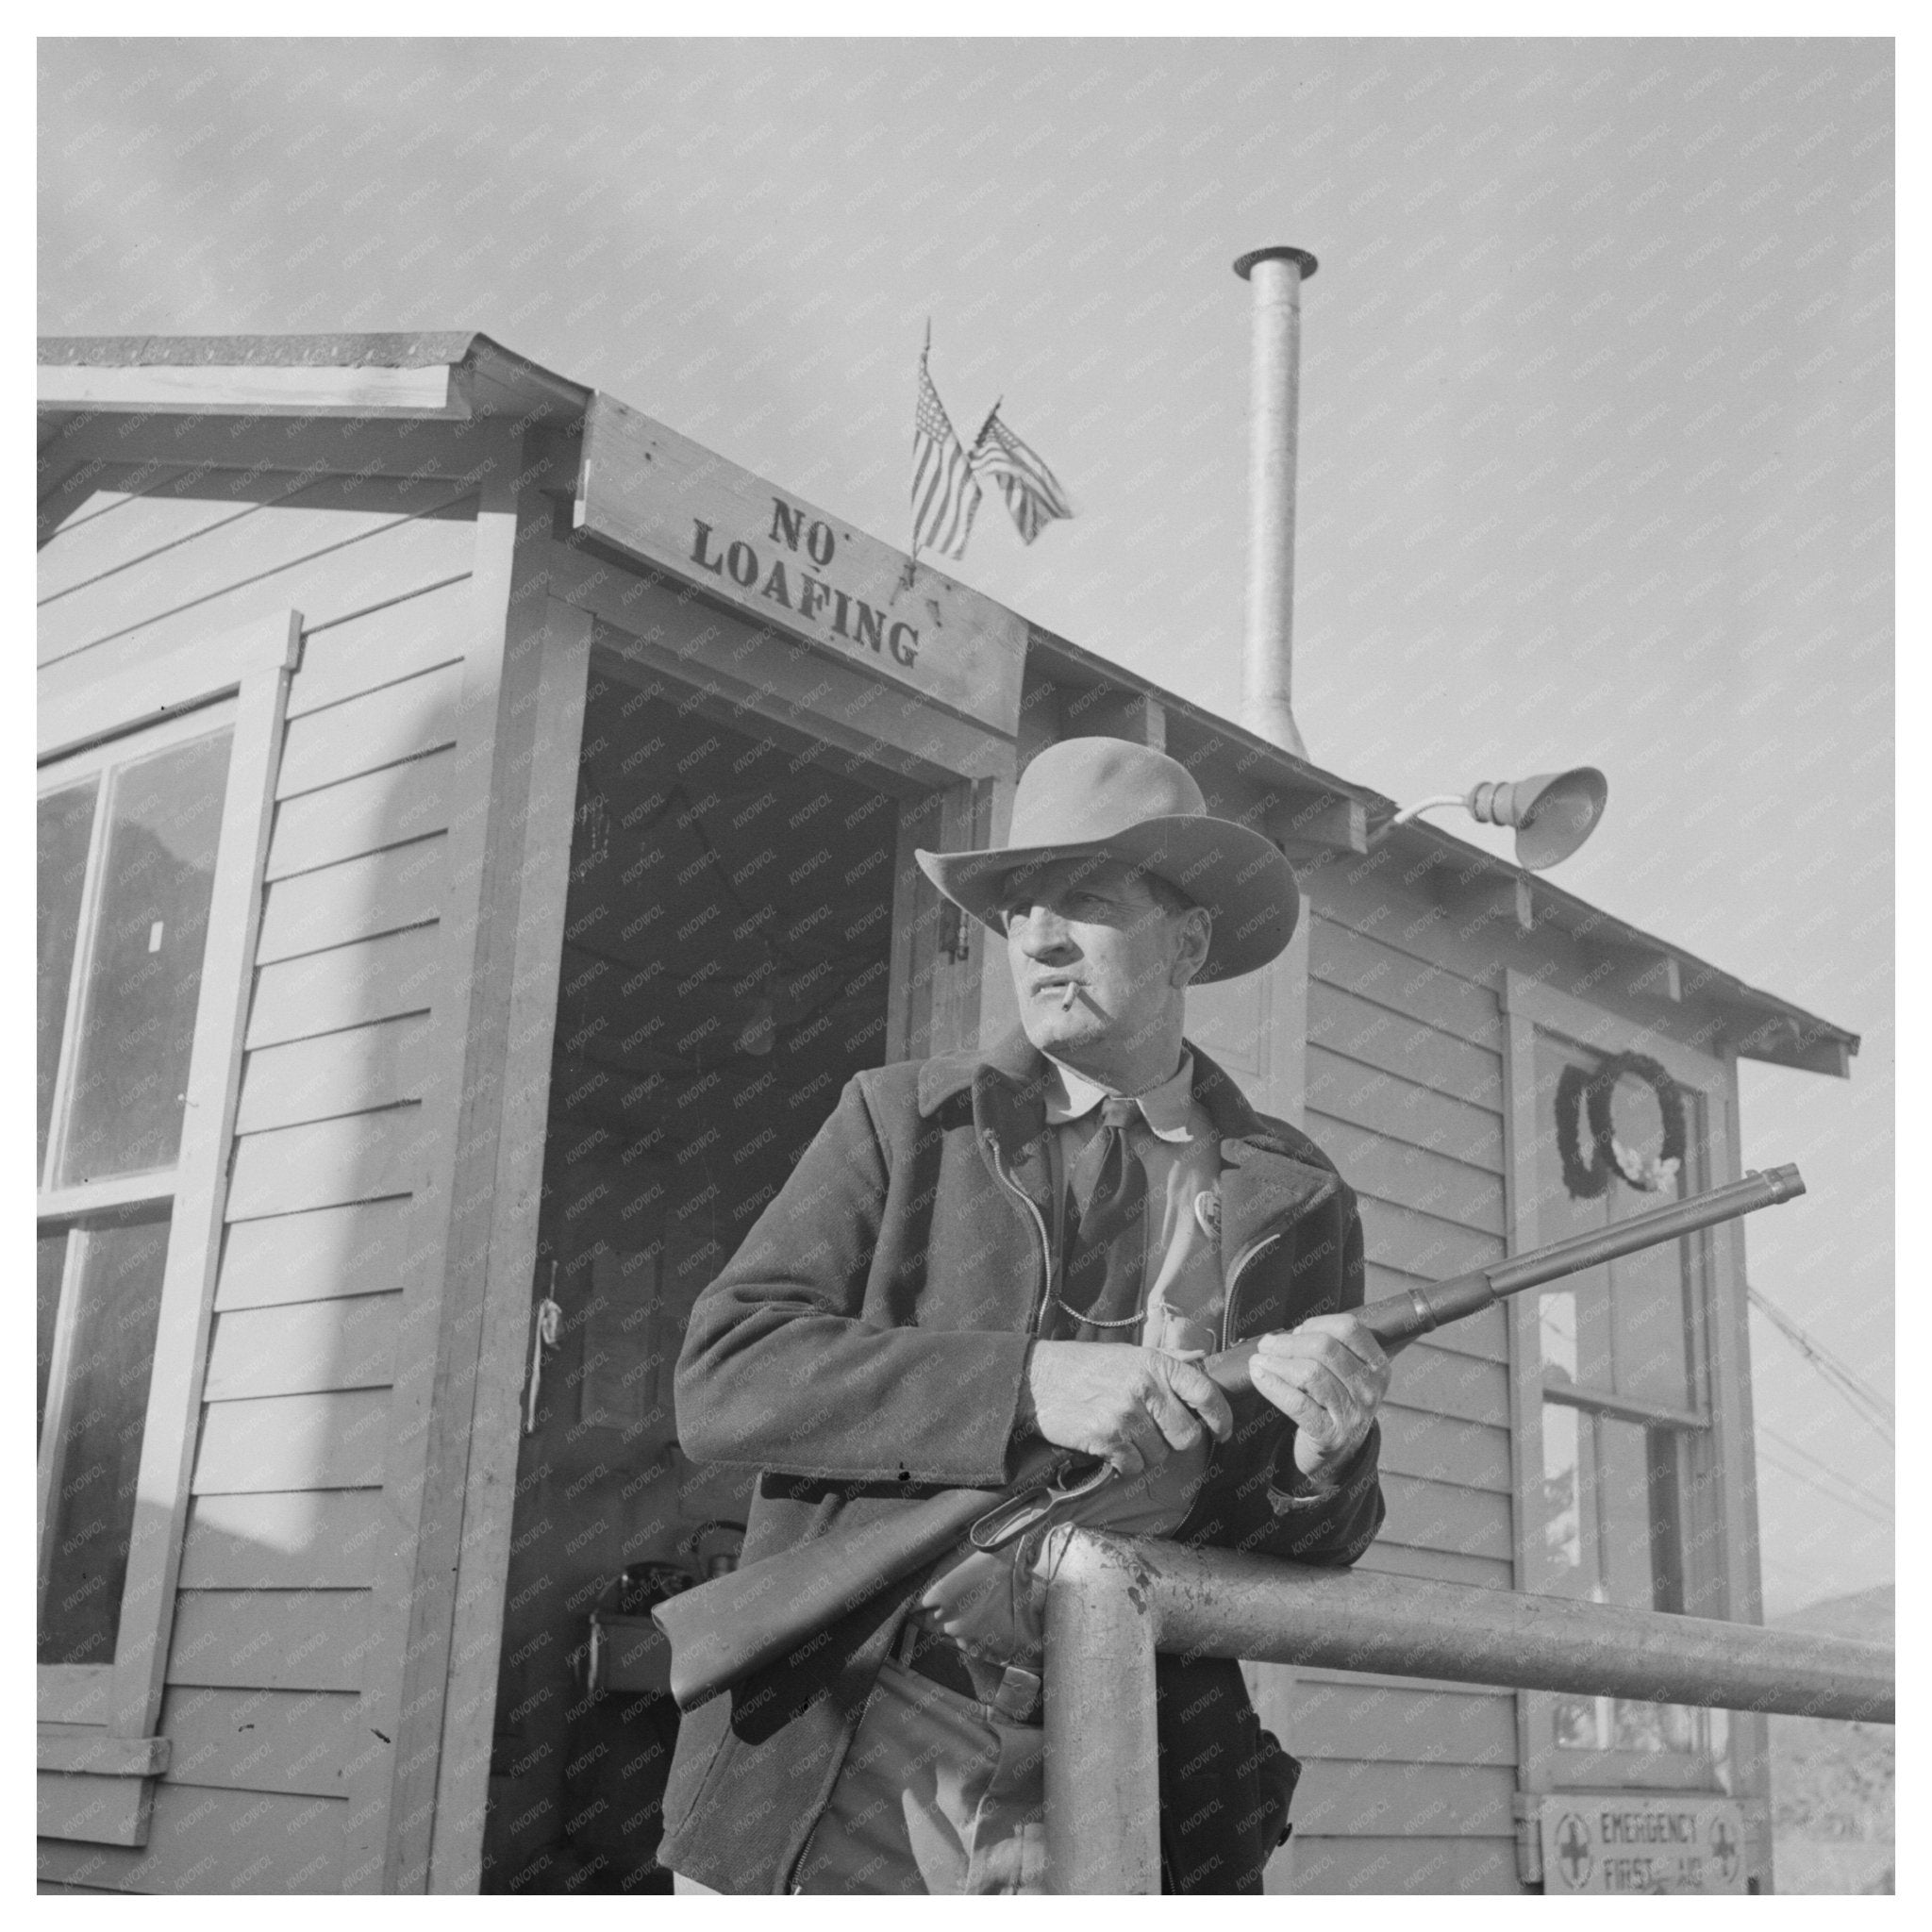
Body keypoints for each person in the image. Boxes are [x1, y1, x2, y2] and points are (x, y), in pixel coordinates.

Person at [658, 736, 1391, 1894]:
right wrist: (1025, 1384)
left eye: (1086, 900)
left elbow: (1304, 1544)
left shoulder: (1292, 1193)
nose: (1040, 937)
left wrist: (1319, 1457)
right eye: (1019, 908)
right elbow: (724, 1374)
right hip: (860, 1734)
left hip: (1125, 1761)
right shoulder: (899, 1122)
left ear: (1185, 940)